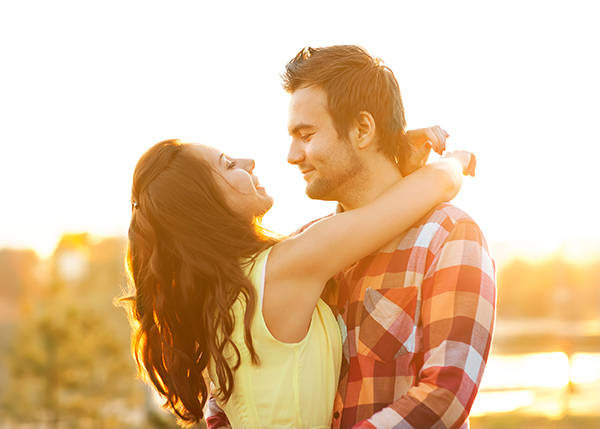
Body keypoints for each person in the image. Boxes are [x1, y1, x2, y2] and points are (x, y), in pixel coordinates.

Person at [207, 45, 496, 429]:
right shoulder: (299, 251)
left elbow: (445, 395)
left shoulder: (448, 237)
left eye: (305, 134)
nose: (292, 155)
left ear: (362, 129)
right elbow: (226, 398)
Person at [120, 136, 475, 428]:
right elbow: (434, 186)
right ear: (205, 203)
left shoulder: (217, 298)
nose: (248, 161)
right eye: (228, 164)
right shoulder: (284, 268)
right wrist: (455, 159)